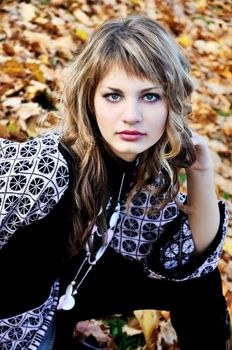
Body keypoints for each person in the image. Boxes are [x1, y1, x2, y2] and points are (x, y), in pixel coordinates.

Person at [0, 15, 230, 350]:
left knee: (197, 279)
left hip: (70, 290)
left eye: (150, 96)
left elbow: (195, 258)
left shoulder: (145, 165)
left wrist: (200, 172)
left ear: (171, 103)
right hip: (16, 322)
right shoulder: (45, 167)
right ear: (89, 99)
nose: (131, 116)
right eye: (113, 96)